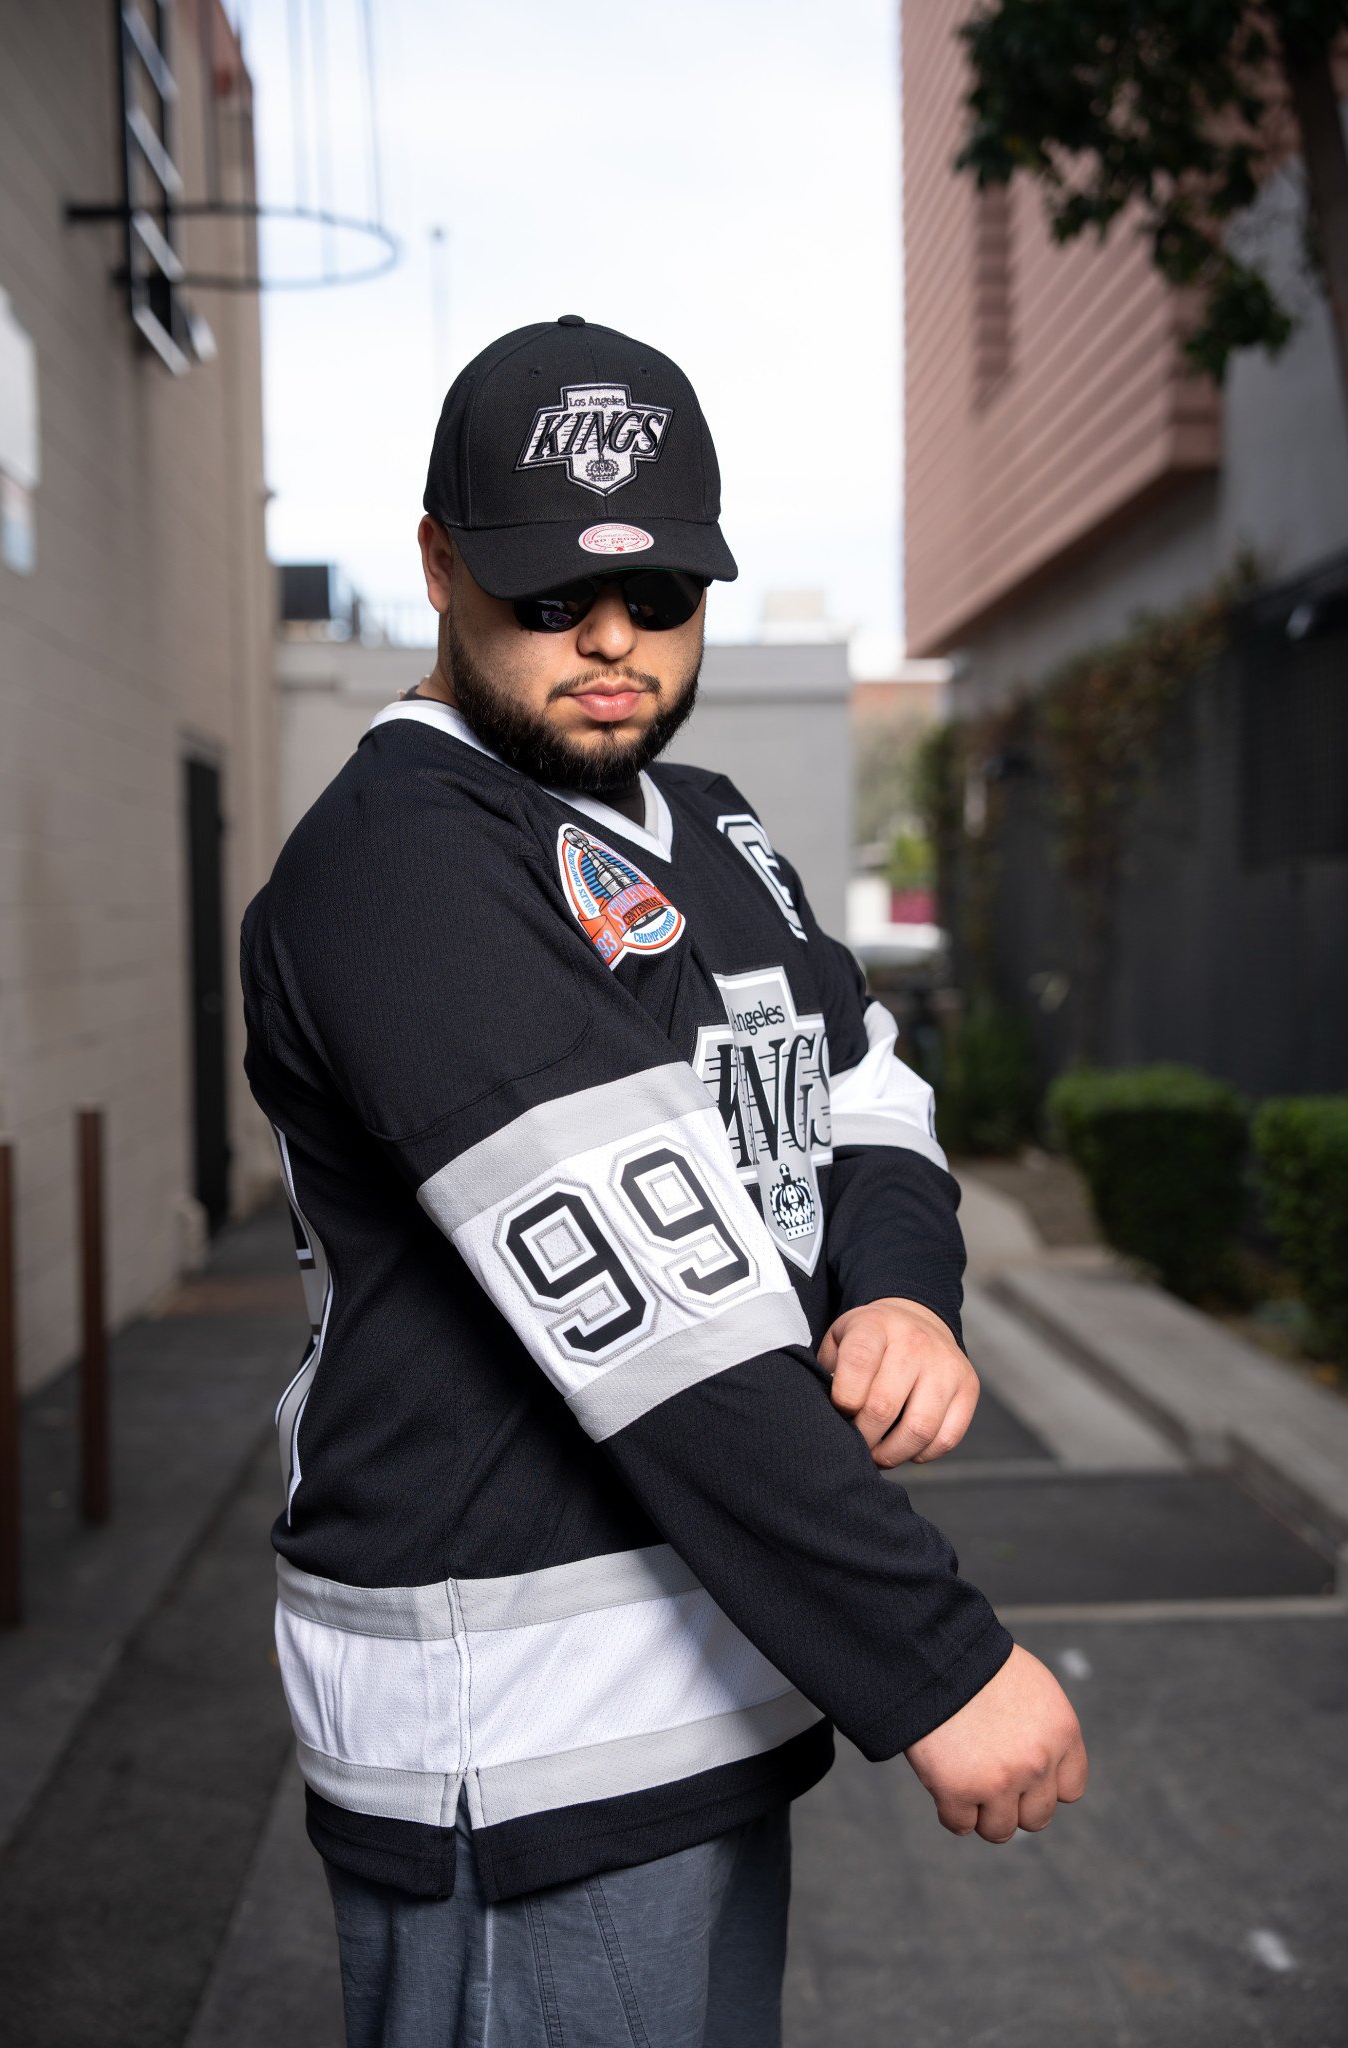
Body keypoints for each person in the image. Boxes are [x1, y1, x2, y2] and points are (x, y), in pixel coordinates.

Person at [240, 315, 1086, 2048]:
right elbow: (661, 1313)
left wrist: (900, 1284)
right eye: (549, 594)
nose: (613, 638)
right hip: (520, 1739)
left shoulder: (705, 824)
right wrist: (934, 1659)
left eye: (661, 592)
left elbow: (864, 1087)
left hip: (706, 1683)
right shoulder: (402, 867)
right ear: (439, 566)